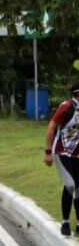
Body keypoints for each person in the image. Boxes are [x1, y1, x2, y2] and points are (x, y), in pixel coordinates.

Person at [44, 83, 79, 236]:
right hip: (61, 152)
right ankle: (65, 222)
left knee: (78, 188)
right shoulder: (66, 107)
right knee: (70, 185)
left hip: (76, 155)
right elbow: (51, 127)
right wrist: (47, 152)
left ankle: (76, 224)